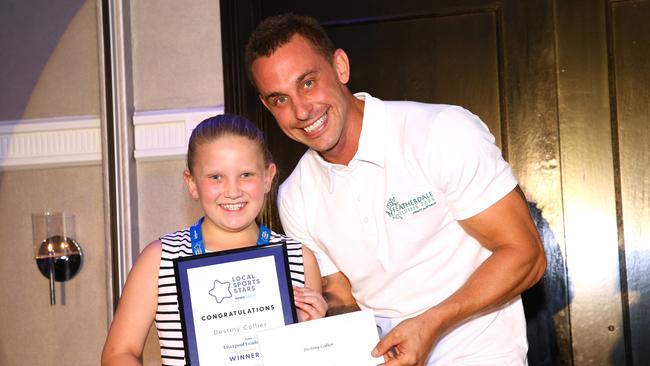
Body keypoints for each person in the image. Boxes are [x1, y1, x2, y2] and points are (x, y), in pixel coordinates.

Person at [245, 13, 547, 366]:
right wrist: (315, 325)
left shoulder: (440, 132)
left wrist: (430, 324)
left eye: (308, 83)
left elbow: (526, 255)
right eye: (280, 99)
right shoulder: (295, 194)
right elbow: (342, 298)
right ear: (267, 107)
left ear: (340, 67)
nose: (300, 110)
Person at [101, 114, 327, 366]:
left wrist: (312, 337)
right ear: (192, 184)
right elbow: (119, 353)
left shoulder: (299, 258)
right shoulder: (160, 259)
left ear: (267, 178)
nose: (232, 191)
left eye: (246, 175)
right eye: (216, 177)